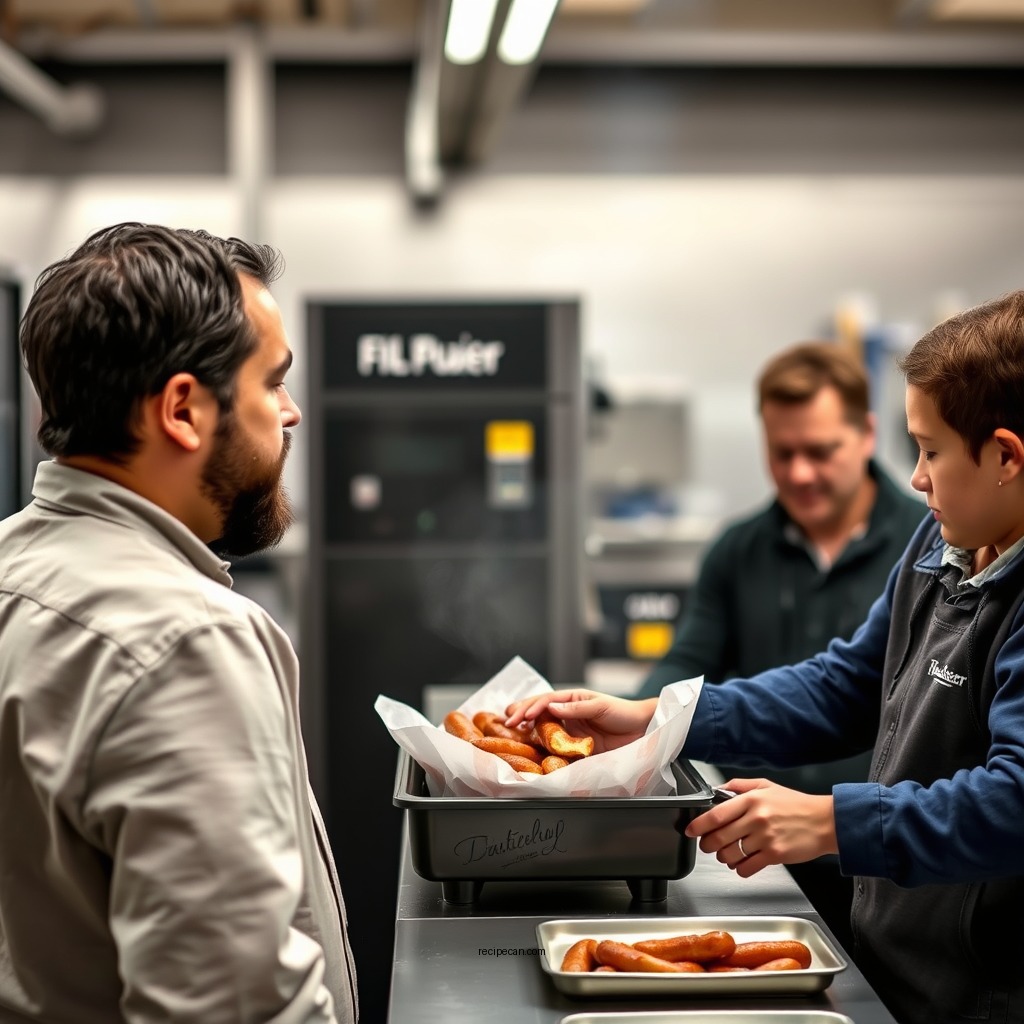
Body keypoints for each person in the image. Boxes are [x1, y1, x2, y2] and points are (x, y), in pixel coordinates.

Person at [506, 289, 1024, 1024]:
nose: (916, 476)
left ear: (1005, 456)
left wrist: (832, 824)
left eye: (931, 451)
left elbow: (1013, 802)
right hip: (892, 969)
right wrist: (658, 718)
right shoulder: (941, 548)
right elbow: (845, 686)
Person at [0, 223, 358, 1022]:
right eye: (273, 384)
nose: (291, 414)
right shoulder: (186, 641)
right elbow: (234, 1004)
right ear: (184, 410)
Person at [636, 340, 924, 948]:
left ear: (868, 434)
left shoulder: (930, 548)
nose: (799, 473)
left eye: (820, 452)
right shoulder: (737, 550)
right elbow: (690, 661)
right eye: (782, 452)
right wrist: (640, 722)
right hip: (750, 858)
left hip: (894, 862)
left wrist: (838, 819)